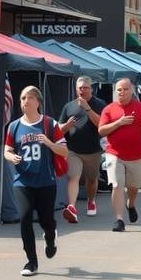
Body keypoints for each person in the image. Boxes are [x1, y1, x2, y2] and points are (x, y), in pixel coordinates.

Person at [3, 86, 66, 276]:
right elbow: (7, 150)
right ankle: (31, 262)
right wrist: (10, 157)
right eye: (22, 98)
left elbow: (64, 151)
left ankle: (50, 237)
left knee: (46, 220)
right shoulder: (14, 126)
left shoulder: (49, 124)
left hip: (46, 181)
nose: (25, 101)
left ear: (38, 102)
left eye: (29, 98)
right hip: (23, 182)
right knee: (24, 219)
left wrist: (48, 142)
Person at [97, 79, 141, 231]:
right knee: (117, 184)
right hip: (114, 154)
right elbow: (101, 131)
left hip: (136, 155)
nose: (122, 92)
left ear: (132, 90)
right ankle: (119, 220)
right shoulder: (109, 109)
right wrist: (119, 123)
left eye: (125, 89)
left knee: (134, 187)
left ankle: (131, 204)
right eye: (119, 89)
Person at [58, 77, 106, 223]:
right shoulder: (69, 106)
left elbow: (101, 125)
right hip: (73, 149)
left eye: (85, 87)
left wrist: (87, 108)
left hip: (93, 150)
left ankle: (91, 201)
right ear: (76, 89)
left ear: (91, 89)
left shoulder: (100, 104)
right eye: (80, 88)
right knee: (74, 177)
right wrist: (66, 125)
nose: (82, 90)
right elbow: (59, 129)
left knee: (91, 179)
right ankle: (72, 207)